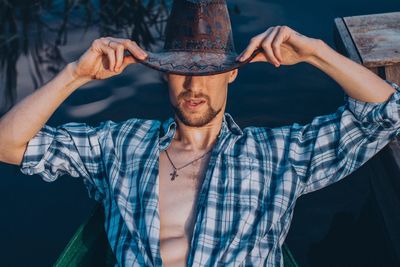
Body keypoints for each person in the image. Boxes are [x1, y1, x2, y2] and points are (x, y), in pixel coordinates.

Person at [0, 0, 399, 266]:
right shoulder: (119, 146)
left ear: (231, 72)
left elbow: (387, 113)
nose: (194, 87)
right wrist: (75, 74)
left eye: (207, 72)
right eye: (180, 70)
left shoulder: (280, 154)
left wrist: (316, 52)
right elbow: (7, 144)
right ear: (162, 74)